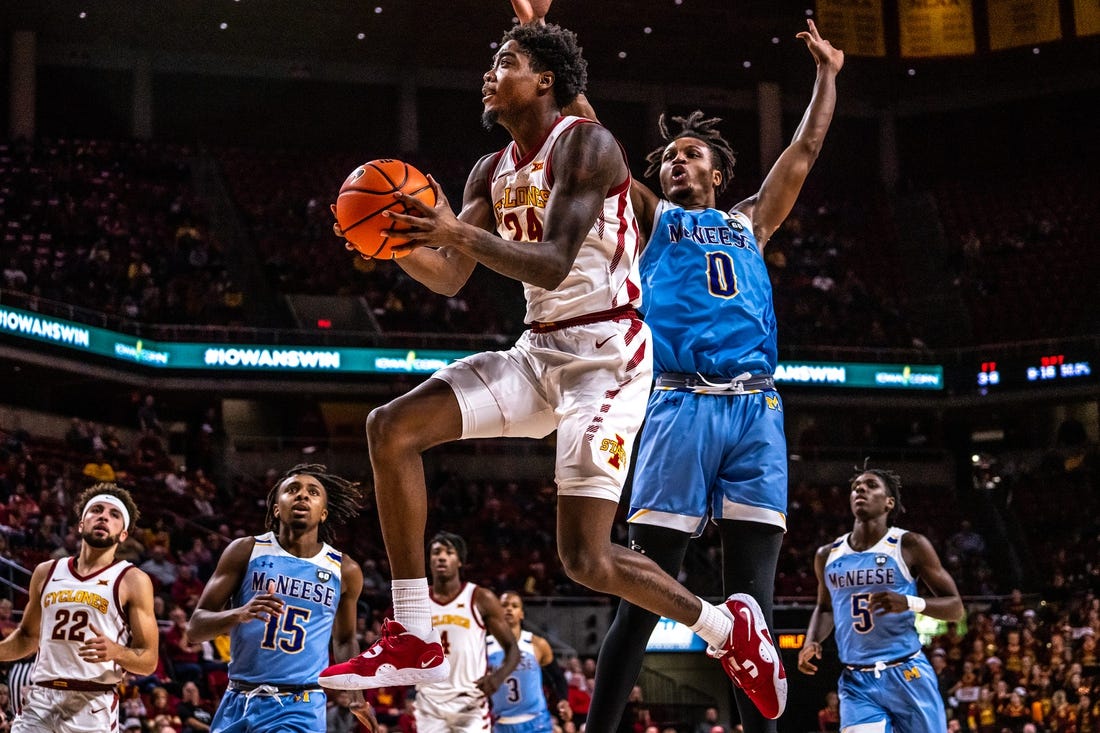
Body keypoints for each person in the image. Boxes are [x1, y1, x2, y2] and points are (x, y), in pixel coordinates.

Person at [319, 17, 783, 715]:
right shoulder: (489, 170)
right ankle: (411, 630)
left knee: (585, 559)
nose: (489, 72)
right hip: (538, 349)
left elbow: (552, 259)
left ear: (544, 82)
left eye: (505, 60)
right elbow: (449, 274)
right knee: (391, 427)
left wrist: (450, 226)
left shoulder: (590, 146)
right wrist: (393, 239)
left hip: (609, 356)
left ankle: (726, 628)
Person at [507, 1, 843, 726]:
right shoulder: (654, 219)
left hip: (757, 409)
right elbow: (593, 130)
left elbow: (806, 149)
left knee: (753, 601)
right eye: (667, 158)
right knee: (643, 589)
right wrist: (540, 37)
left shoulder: (750, 220)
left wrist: (827, 76)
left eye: (689, 154)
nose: (674, 162)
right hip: (677, 405)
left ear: (720, 170)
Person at [186, 463, 372, 733]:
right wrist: (239, 614)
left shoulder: (345, 570)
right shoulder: (245, 551)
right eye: (292, 490)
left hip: (300, 704)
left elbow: (344, 639)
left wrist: (356, 696)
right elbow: (194, 629)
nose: (302, 496)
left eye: (313, 492)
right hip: (238, 699)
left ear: (323, 514)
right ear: (276, 507)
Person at [797, 466, 966, 732]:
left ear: (890, 503)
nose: (860, 489)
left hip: (908, 672)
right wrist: (812, 640)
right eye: (856, 487)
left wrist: (910, 602)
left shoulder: (909, 545)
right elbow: (825, 608)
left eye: (871, 485)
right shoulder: (827, 555)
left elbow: (955, 608)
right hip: (857, 681)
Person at [0, 483, 159, 732]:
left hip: (92, 703)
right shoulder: (46, 572)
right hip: (41, 698)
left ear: (123, 534)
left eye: (114, 514)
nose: (104, 517)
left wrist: (117, 651)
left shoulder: (132, 580)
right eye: (96, 510)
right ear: (81, 524)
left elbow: (149, 660)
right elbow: (27, 638)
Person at [414, 532, 519, 733]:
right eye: (436, 553)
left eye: (449, 552)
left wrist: (497, 678)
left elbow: (512, 648)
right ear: (429, 560)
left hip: (470, 702)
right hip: (429, 703)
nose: (442, 557)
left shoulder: (481, 598)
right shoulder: (418, 600)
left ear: (460, 561)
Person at [487, 591, 562, 733]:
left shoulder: (537, 644)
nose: (509, 609)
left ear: (521, 614)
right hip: (502, 722)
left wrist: (563, 699)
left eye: (514, 606)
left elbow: (557, 677)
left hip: (537, 721)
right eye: (504, 605)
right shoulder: (485, 646)